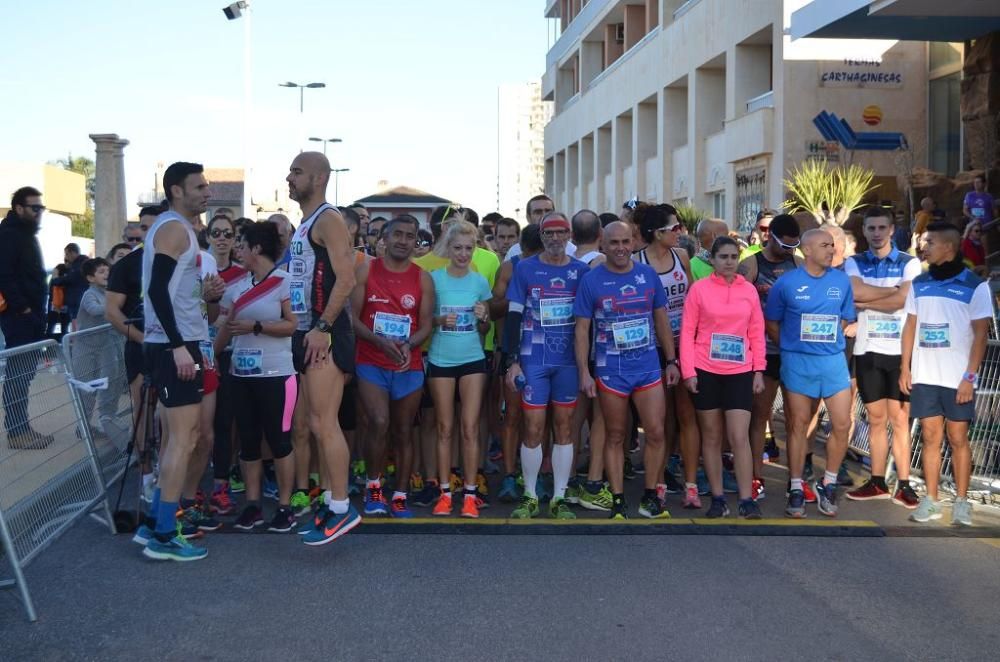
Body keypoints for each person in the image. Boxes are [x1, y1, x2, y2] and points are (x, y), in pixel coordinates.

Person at [135, 162, 224, 561]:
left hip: (177, 341)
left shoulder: (178, 229)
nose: (207, 193)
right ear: (176, 191)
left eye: (207, 186)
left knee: (175, 437)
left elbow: (169, 289)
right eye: (199, 187)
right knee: (183, 440)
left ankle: (154, 523)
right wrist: (178, 345)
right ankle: (165, 536)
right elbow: (155, 290)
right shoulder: (173, 228)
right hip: (175, 345)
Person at [574, 221, 680, 519]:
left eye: (625, 242)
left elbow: (661, 319)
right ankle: (618, 498)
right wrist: (584, 371)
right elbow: (582, 330)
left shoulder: (647, 275)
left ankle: (650, 496)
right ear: (602, 245)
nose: (620, 248)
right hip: (611, 371)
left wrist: (671, 361)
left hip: (647, 368)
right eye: (614, 243)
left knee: (656, 433)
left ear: (633, 243)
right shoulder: (591, 280)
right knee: (616, 435)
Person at [285, 151, 362, 546]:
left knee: (324, 422)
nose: (289, 177)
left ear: (318, 178)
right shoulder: (306, 223)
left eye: (296, 171)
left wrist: (322, 326)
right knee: (310, 424)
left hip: (325, 333)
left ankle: (341, 507)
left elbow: (346, 280)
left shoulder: (329, 219)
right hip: (306, 332)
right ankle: (332, 501)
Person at [901, 222, 991, 526]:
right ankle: (931, 500)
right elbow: (910, 326)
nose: (923, 246)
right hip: (926, 376)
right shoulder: (919, 283)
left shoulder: (974, 285)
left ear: (948, 248)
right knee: (929, 437)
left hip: (957, 379)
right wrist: (905, 367)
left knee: (957, 438)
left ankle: (962, 502)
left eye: (929, 242)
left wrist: (969, 377)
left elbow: (981, 335)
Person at [211, 222, 298, 532]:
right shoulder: (235, 287)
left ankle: (286, 506)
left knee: (279, 441)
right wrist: (211, 357)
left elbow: (292, 325)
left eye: (242, 244)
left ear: (257, 249)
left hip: (278, 374)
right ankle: (252, 505)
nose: (238, 249)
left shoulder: (286, 282)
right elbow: (223, 326)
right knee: (247, 441)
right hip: (241, 373)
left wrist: (257, 328)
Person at [765, 228, 856, 519]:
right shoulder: (787, 283)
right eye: (825, 245)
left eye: (832, 245)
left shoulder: (841, 281)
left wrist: (827, 343)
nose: (831, 250)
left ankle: (828, 483)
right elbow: (772, 323)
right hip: (797, 362)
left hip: (832, 362)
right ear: (806, 251)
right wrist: (792, 348)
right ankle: (795, 486)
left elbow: (845, 319)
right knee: (798, 425)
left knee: (842, 424)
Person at [504, 212, 588, 520]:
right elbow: (513, 317)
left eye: (561, 232)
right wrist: (512, 362)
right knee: (533, 428)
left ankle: (559, 496)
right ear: (541, 237)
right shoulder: (525, 268)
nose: (555, 238)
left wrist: (586, 367)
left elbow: (588, 322)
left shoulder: (581, 271)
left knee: (564, 427)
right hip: (533, 360)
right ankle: (529, 494)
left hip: (567, 361)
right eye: (549, 233)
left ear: (569, 236)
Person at [351, 215, 433, 518]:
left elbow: (426, 325)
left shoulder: (423, 278)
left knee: (402, 431)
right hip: (371, 361)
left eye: (409, 236)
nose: (402, 240)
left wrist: (408, 345)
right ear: (384, 238)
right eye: (397, 234)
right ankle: (374, 486)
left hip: (407, 366)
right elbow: (352, 318)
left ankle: (399, 494)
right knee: (379, 422)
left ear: (416, 241)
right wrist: (379, 341)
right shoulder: (366, 270)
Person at [680, 237, 765, 519]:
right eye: (723, 257)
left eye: (733, 257)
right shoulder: (699, 290)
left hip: (740, 371)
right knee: (712, 437)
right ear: (712, 260)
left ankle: (745, 498)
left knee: (739, 436)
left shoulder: (749, 291)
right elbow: (688, 332)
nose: (729, 262)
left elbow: (756, 331)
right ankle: (717, 498)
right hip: (706, 369)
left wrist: (758, 370)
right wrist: (688, 372)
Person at [842, 207, 922, 508]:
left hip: (900, 352)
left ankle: (903, 484)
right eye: (871, 228)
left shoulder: (909, 263)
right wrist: (891, 293)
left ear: (891, 230)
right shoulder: (854, 262)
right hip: (866, 350)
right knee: (875, 419)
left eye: (881, 228)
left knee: (900, 419)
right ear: (863, 231)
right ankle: (877, 481)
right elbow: (853, 292)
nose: (876, 233)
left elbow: (904, 300)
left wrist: (868, 296)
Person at [634, 204, 700, 509]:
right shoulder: (638, 262)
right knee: (657, 421)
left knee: (686, 415)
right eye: (674, 228)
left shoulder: (682, 257)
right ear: (656, 233)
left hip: (684, 344)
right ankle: (657, 482)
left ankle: (690, 485)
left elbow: (693, 298)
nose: (679, 233)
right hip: (652, 348)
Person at [424, 220, 492, 518]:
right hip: (440, 358)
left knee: (469, 428)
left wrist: (483, 316)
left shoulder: (479, 281)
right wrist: (440, 321)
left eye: (469, 248)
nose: (464, 254)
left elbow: (487, 325)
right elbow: (424, 321)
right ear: (447, 249)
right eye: (458, 248)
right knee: (444, 428)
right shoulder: (434, 278)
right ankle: (443, 492)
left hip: (472, 358)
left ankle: (469, 494)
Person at [737, 213, 804, 501]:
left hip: (793, 351)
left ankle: (796, 480)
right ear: (769, 237)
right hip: (763, 353)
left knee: (795, 418)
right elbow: (737, 306)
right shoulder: (751, 264)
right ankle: (755, 476)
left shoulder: (798, 263)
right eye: (784, 245)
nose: (789, 250)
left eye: (794, 245)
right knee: (760, 417)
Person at [105, 204, 164, 500]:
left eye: (156, 225)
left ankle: (168, 473)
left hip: (173, 349)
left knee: (168, 414)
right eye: (144, 227)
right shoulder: (127, 265)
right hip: (139, 349)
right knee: (142, 412)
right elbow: (112, 312)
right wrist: (142, 339)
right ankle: (146, 477)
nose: (149, 231)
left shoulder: (180, 260)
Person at [490, 225, 543, 503]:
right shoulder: (511, 268)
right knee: (513, 415)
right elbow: (493, 307)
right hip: (513, 350)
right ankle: (510, 475)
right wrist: (516, 298)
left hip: (545, 352)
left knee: (536, 417)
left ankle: (532, 475)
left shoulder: (553, 268)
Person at [0, 187, 54, 449]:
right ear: (19, 208)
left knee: (25, 373)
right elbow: (5, 276)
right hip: (19, 317)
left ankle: (22, 428)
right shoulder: (10, 234)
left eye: (41, 208)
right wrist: (23, 309)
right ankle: (17, 432)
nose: (39, 213)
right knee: (18, 374)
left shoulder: (24, 234)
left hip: (30, 316)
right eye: (35, 208)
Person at [204, 213, 248, 513]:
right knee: (196, 427)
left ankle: (221, 484)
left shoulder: (243, 275)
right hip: (197, 353)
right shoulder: (195, 268)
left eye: (227, 234)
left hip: (230, 353)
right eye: (216, 232)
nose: (222, 238)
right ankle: (188, 490)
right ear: (208, 237)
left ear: (234, 240)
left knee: (224, 422)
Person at [504, 195, 570, 261]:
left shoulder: (570, 249)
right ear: (528, 217)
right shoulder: (515, 251)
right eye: (538, 212)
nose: (544, 215)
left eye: (548, 211)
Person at [51, 243, 88, 323]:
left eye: (67, 254)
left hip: (78, 303)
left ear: (73, 253)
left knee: (78, 327)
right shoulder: (80, 264)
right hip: (77, 302)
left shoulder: (80, 265)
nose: (66, 257)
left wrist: (55, 278)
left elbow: (68, 279)